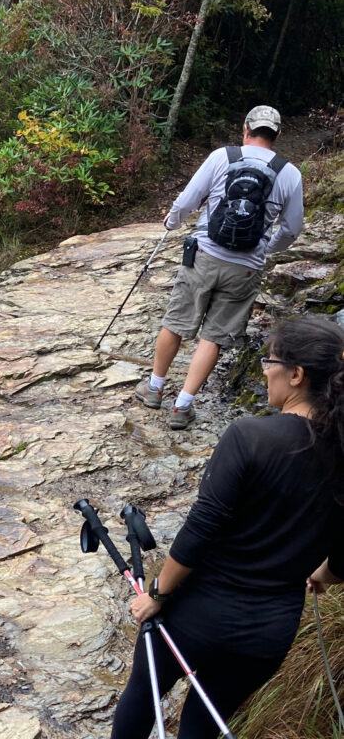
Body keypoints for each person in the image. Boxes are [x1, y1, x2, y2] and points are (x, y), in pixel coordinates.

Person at [112, 315, 344, 739]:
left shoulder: (249, 436)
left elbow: (202, 529)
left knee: (143, 696)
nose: (264, 369)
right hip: (269, 631)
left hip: (198, 613)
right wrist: (324, 574)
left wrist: (157, 595)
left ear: (296, 375)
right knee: (203, 725)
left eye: (269, 360)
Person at [136, 105, 304, 429]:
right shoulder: (290, 174)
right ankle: (182, 406)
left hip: (204, 255)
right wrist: (266, 250)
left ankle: (154, 388)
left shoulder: (221, 157)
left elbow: (188, 200)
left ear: (246, 129)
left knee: (175, 322)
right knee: (212, 336)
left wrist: (172, 221)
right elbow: (292, 228)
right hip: (245, 268)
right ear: (278, 134)